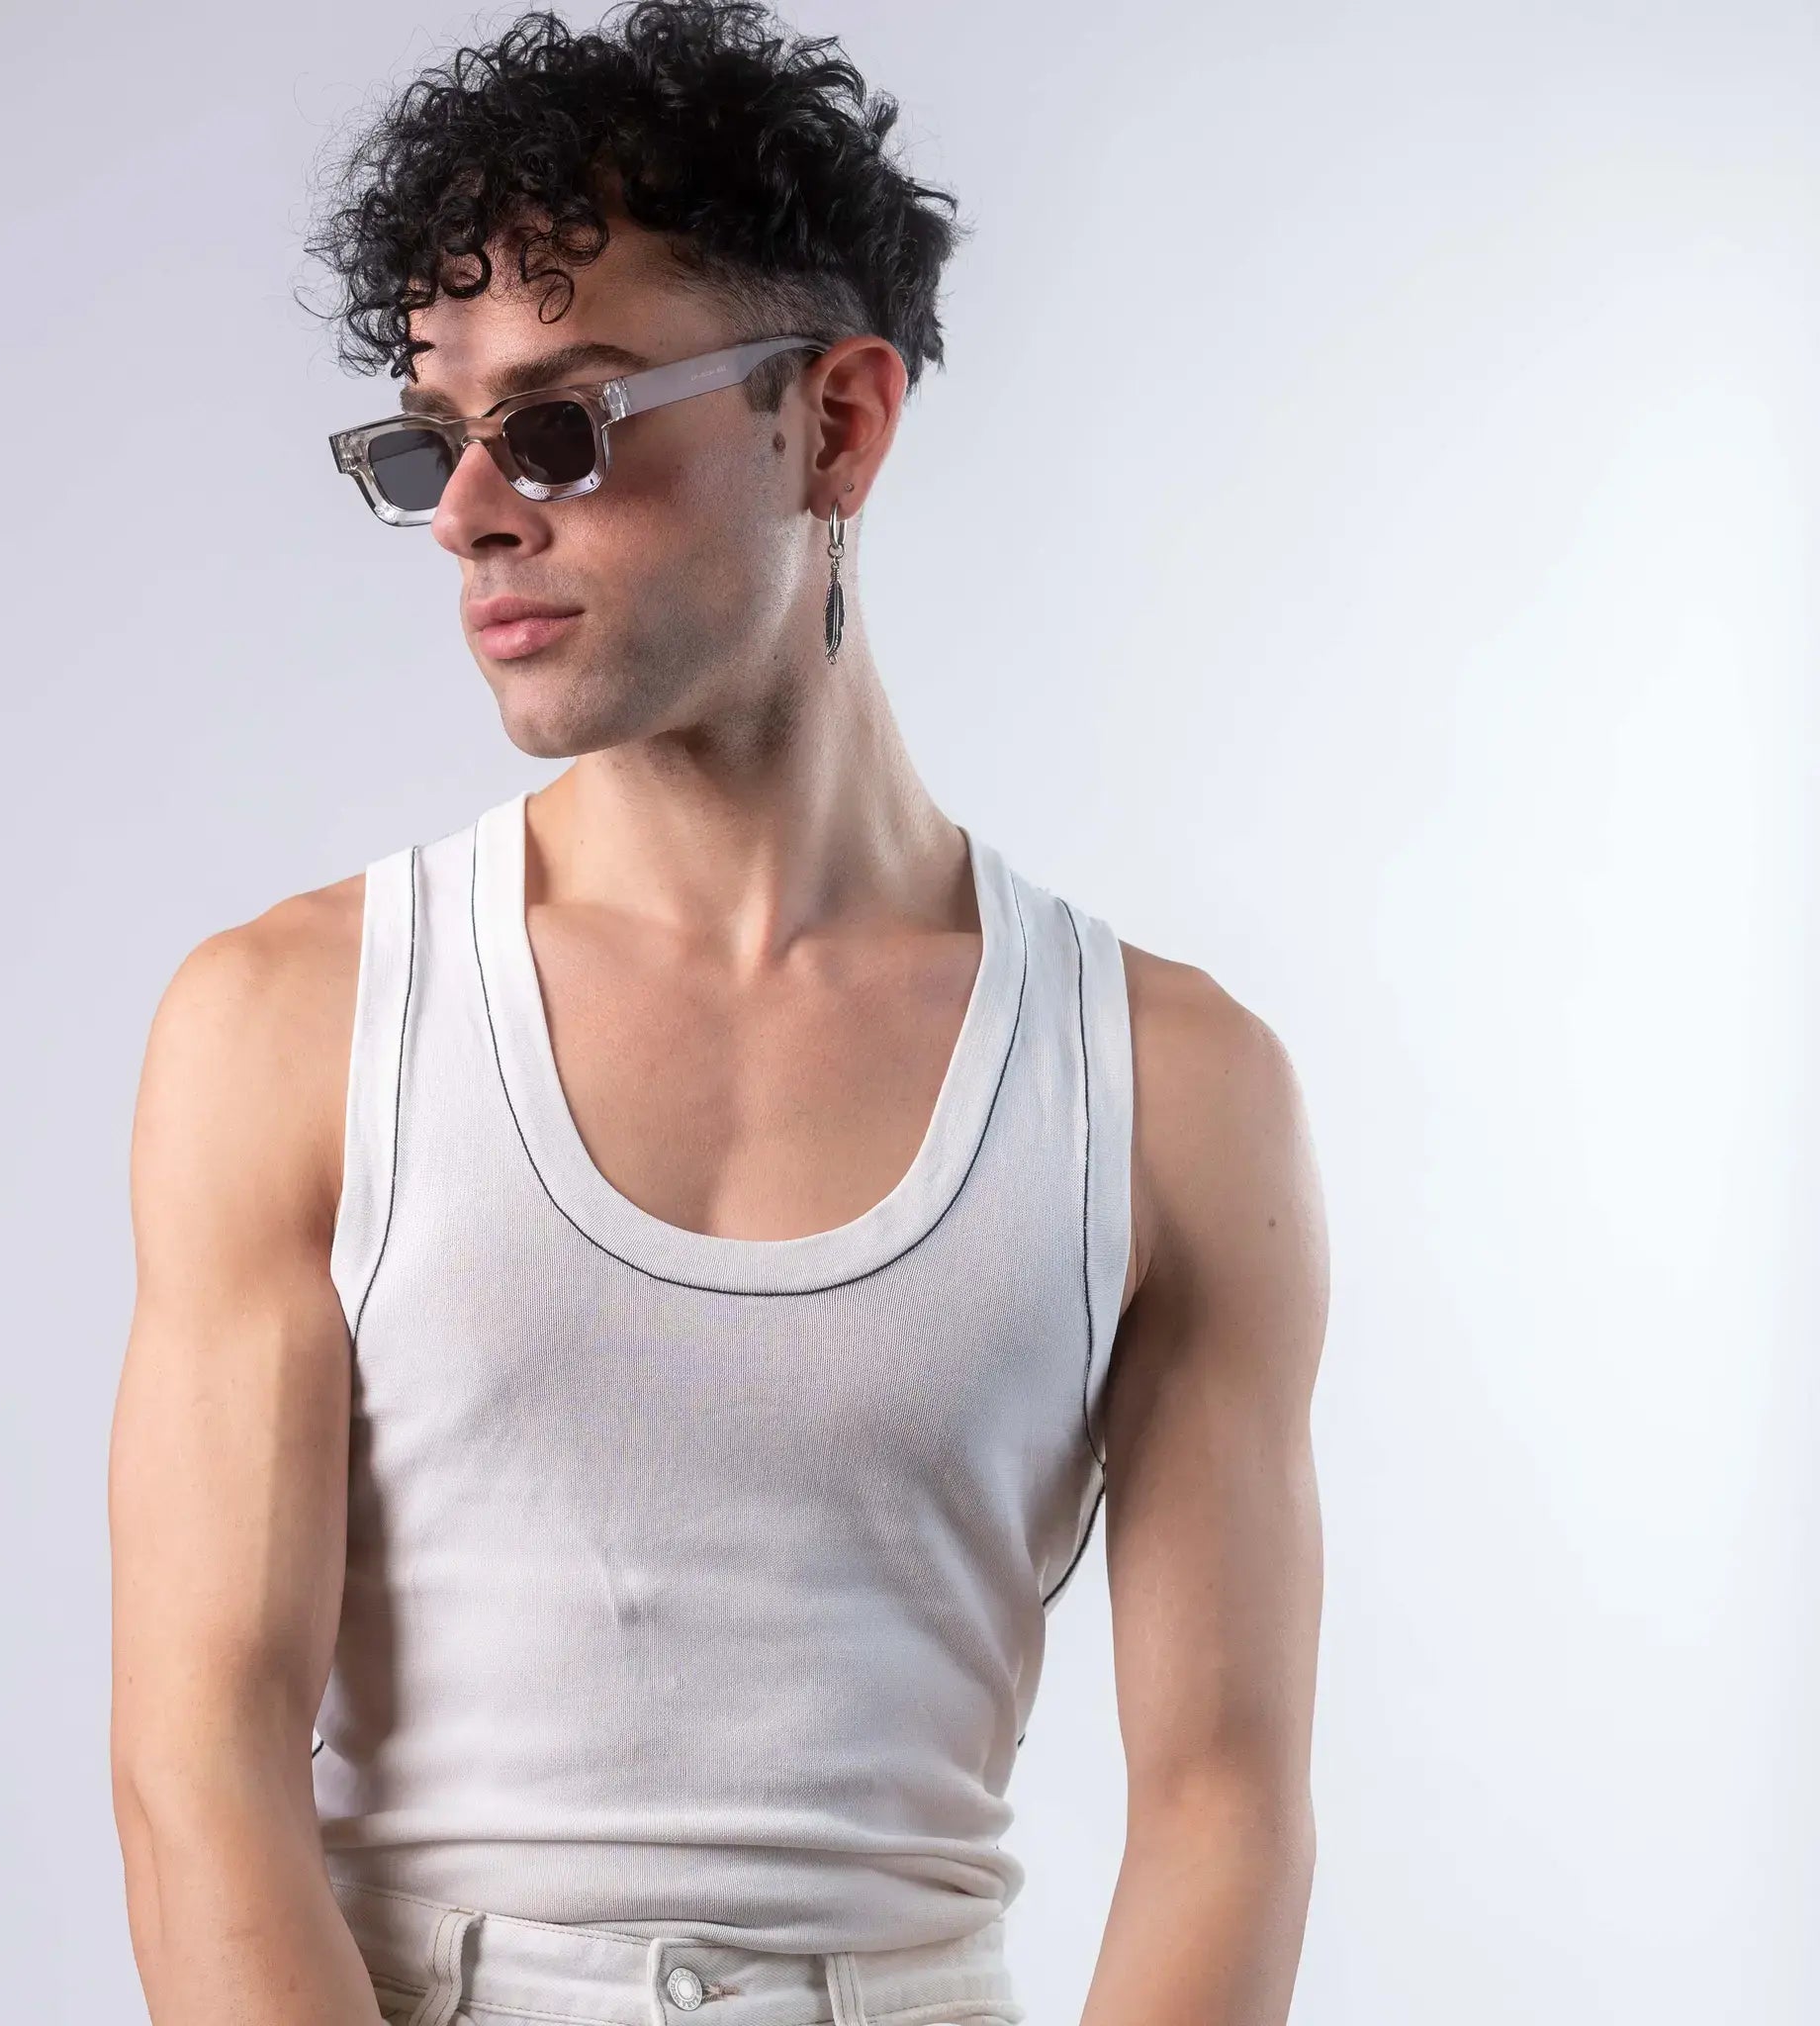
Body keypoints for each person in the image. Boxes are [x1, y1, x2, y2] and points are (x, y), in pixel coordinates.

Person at [106, 6, 1329, 2025]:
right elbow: (197, 1761)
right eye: (438, 433)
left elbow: (1224, 1805)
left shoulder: (1169, 1090)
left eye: (566, 424)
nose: (473, 514)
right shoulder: (291, 1021)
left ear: (835, 424)